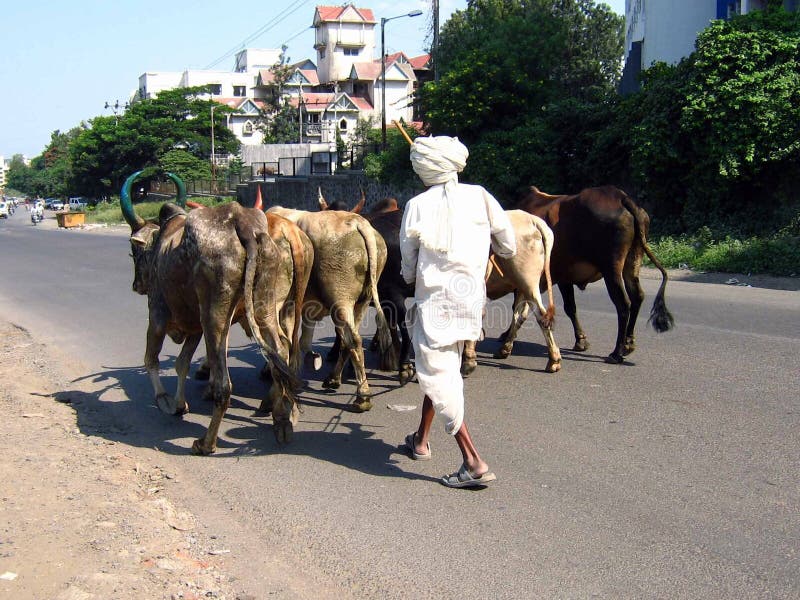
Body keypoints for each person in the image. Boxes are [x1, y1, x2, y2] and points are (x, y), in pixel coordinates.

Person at [399, 136, 517, 489]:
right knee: (442, 369)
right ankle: (420, 440)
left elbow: (408, 263)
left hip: (434, 304)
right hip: (470, 304)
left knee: (439, 374)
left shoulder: (417, 205)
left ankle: (472, 461)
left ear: (426, 168)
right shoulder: (481, 195)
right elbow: (508, 245)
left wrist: (411, 278)